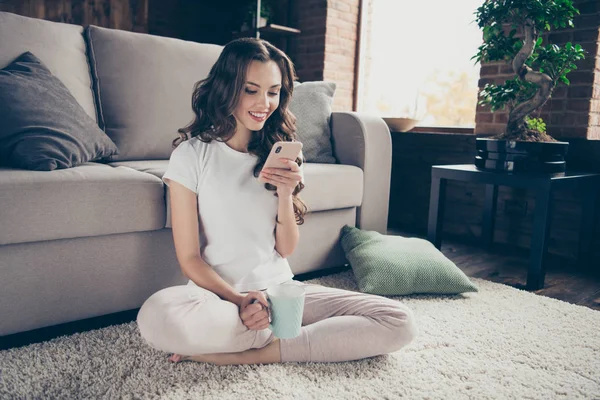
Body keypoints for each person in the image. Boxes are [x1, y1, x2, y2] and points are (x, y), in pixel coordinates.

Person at [136, 37, 416, 365]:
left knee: (398, 321)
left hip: (281, 291)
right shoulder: (192, 154)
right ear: (227, 89)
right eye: (250, 90)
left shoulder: (280, 152)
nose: (264, 103)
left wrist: (285, 195)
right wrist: (240, 301)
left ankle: (256, 352)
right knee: (154, 317)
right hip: (224, 298)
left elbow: (284, 249)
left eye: (274, 91)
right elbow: (189, 258)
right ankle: (269, 333)